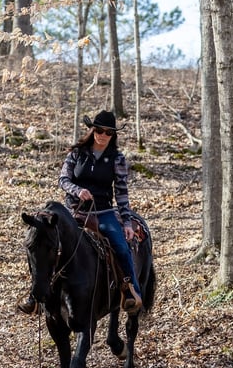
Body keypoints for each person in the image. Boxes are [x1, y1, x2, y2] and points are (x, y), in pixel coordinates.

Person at [18, 110, 143, 314]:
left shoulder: (117, 159)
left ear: (113, 135)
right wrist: (78, 191)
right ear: (93, 130)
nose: (103, 135)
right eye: (99, 130)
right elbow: (63, 180)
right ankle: (35, 295)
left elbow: (121, 192)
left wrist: (127, 222)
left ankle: (131, 292)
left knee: (120, 245)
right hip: (72, 211)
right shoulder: (76, 153)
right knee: (41, 241)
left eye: (108, 132)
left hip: (102, 212)